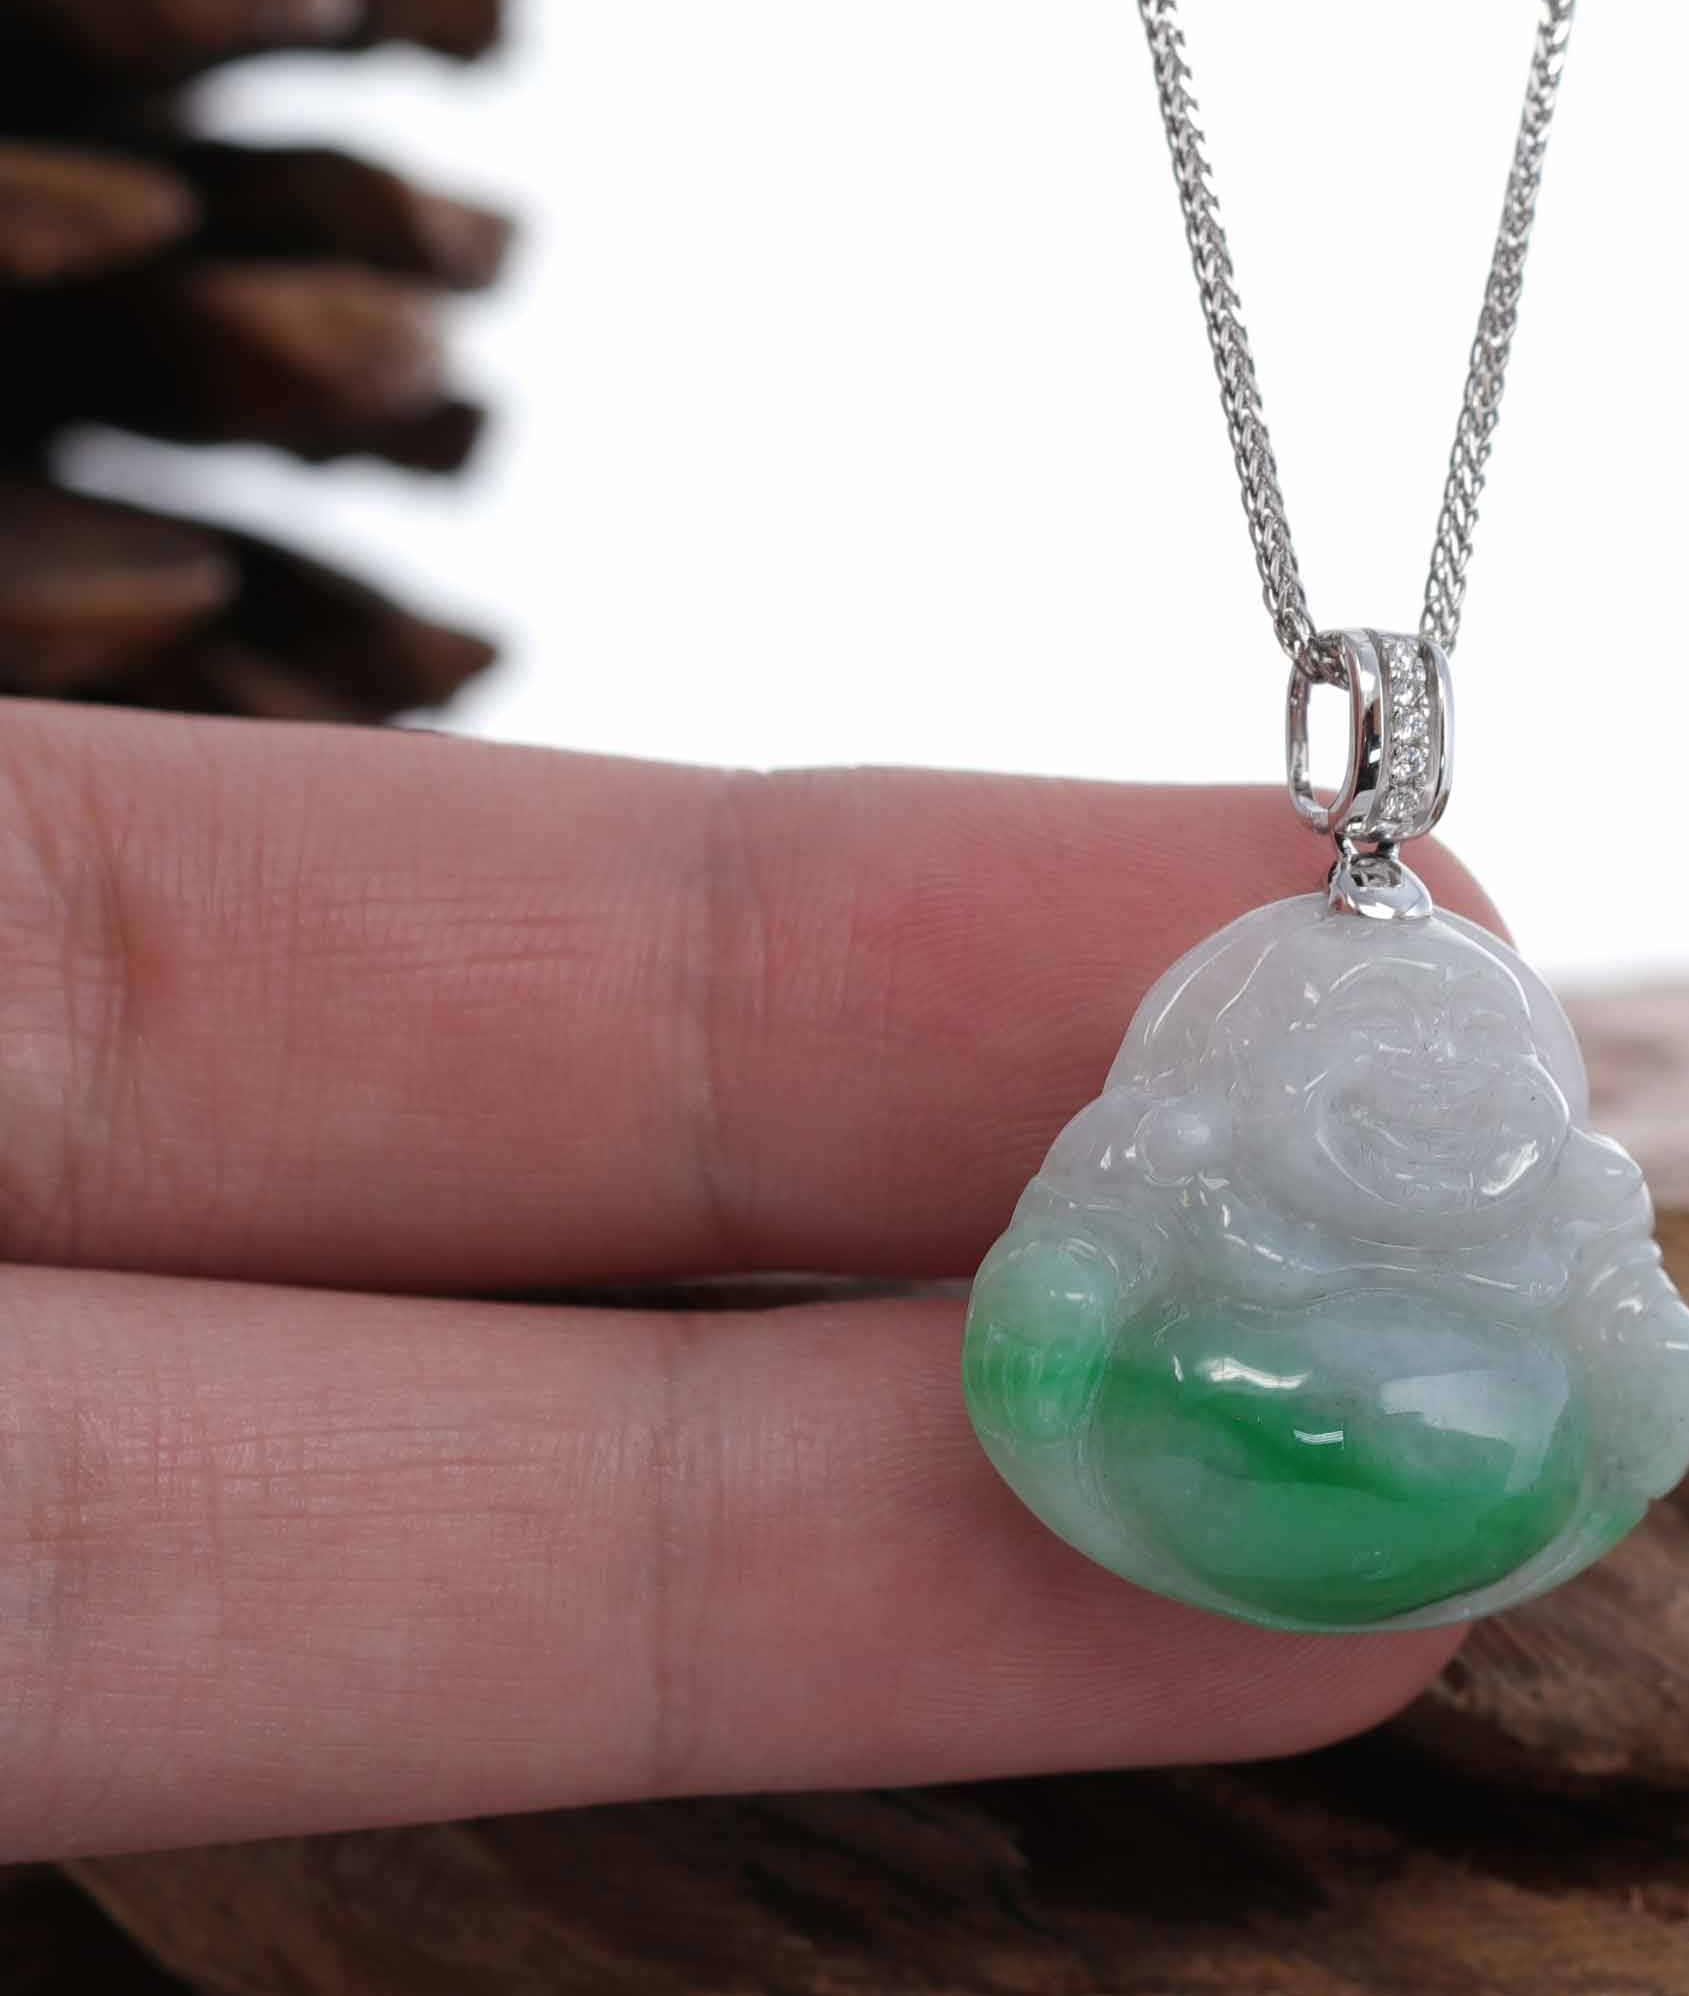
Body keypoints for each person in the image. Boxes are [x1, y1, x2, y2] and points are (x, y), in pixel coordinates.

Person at [0, 703, 1466, 1860]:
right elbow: (1070, 1281)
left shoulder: (1502, 1183)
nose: (1393, 1101)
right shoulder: (1183, 1145)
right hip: (1206, 1438)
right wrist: (1066, 1318)